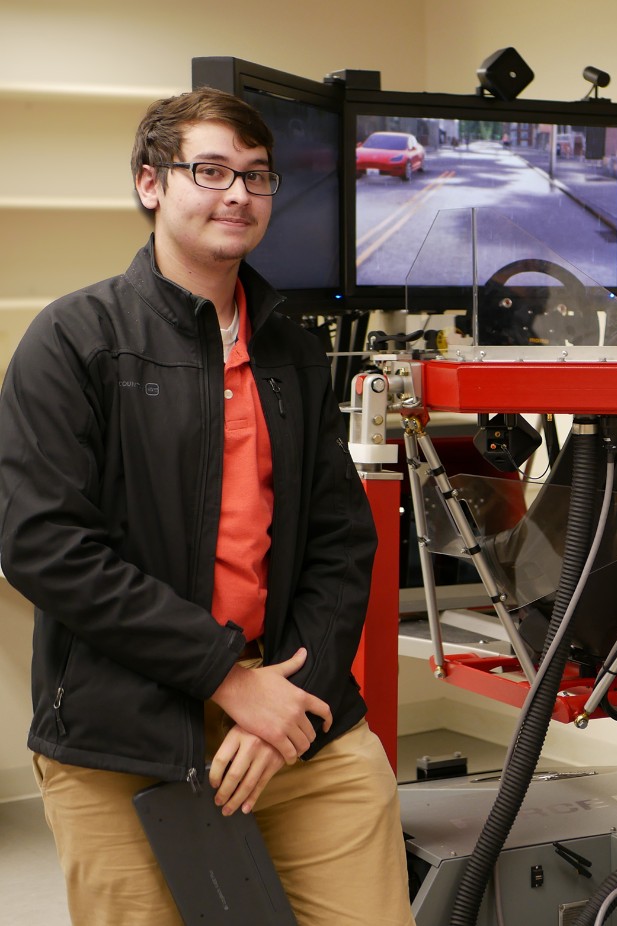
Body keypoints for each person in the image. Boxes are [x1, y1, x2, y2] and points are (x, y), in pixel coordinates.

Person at [0, 88, 414, 925]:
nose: (238, 195)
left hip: (295, 722)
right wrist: (226, 676)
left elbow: (342, 541)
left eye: (256, 177)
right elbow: (42, 545)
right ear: (151, 184)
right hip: (125, 739)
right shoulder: (75, 340)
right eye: (211, 170)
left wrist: (277, 704)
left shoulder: (291, 348)